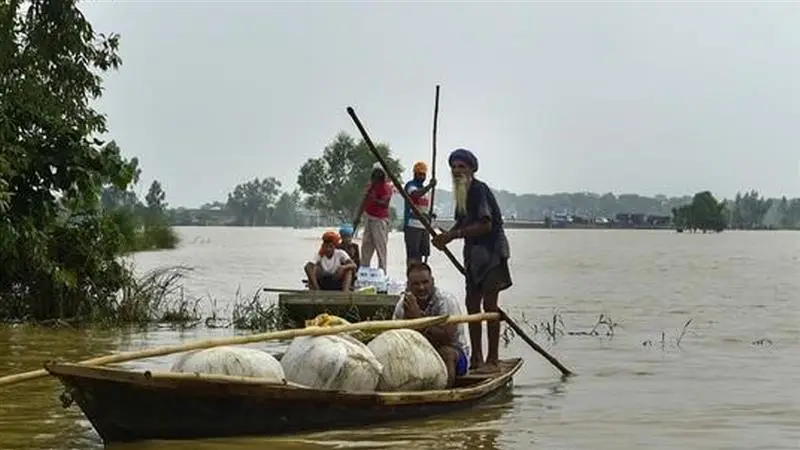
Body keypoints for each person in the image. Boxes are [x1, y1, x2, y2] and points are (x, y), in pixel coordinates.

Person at [431, 148, 512, 374]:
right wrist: (444, 237)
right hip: (473, 257)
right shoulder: (461, 193)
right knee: (472, 306)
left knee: (490, 307)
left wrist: (453, 235)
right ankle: (476, 359)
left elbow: (486, 224)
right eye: (454, 167)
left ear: (471, 169)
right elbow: (461, 224)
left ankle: (492, 359)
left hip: (492, 254)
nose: (457, 171)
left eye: (462, 167)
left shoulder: (479, 190)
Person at [392, 261, 471, 387]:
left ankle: (445, 396)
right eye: (416, 284)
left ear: (432, 281)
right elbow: (397, 337)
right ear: (408, 285)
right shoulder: (403, 305)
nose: (421, 288)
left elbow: (447, 337)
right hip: (420, 354)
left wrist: (418, 319)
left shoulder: (446, 301)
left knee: (446, 353)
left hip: (454, 356)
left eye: (425, 282)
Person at [359, 162, 392, 272]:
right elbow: (364, 201)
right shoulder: (370, 186)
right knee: (366, 246)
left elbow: (385, 203)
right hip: (369, 218)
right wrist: (358, 216)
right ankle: (364, 270)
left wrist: (375, 199)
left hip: (380, 220)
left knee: (380, 247)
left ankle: (382, 271)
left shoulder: (386, 187)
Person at [403, 161, 436, 267]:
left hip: (424, 226)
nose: (422, 176)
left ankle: (420, 274)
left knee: (422, 253)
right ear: (415, 174)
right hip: (412, 225)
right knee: (413, 254)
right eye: (419, 174)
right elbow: (415, 195)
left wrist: (430, 214)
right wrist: (430, 186)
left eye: (423, 174)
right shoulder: (410, 185)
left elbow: (423, 209)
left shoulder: (426, 192)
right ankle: (411, 275)